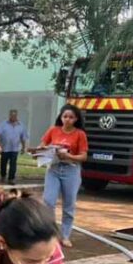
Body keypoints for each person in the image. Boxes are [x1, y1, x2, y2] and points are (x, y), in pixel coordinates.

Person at [37, 104, 88, 248]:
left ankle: (65, 235)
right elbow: (42, 144)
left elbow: (84, 156)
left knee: (69, 204)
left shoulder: (80, 134)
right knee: (48, 202)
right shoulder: (53, 130)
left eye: (71, 117)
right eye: (65, 116)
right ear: (60, 117)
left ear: (76, 119)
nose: (67, 119)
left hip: (71, 170)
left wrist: (70, 156)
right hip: (53, 168)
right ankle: (50, 234)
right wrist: (42, 150)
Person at [0, 109, 29, 185]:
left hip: (15, 148)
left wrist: (23, 147)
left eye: (15, 115)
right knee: (3, 163)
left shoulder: (21, 125)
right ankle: (3, 175)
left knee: (13, 164)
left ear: (17, 116)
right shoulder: (3, 124)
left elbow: (23, 137)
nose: (13, 117)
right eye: (12, 115)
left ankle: (11, 178)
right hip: (5, 148)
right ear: (9, 115)